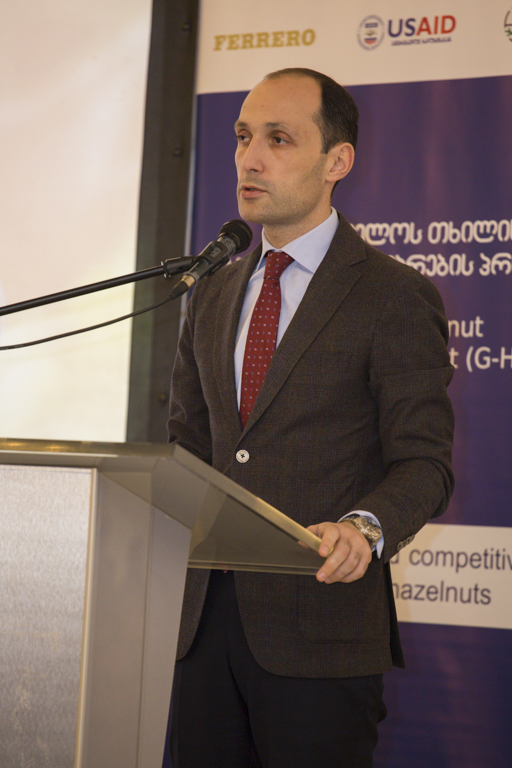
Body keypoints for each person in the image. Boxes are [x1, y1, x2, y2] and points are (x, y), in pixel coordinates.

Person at [167, 68, 454, 768]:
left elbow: (424, 461)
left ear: (337, 161)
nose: (250, 158)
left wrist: (366, 527)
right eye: (243, 137)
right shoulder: (211, 291)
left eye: (279, 139)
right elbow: (188, 446)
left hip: (321, 631)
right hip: (199, 632)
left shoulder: (393, 295)